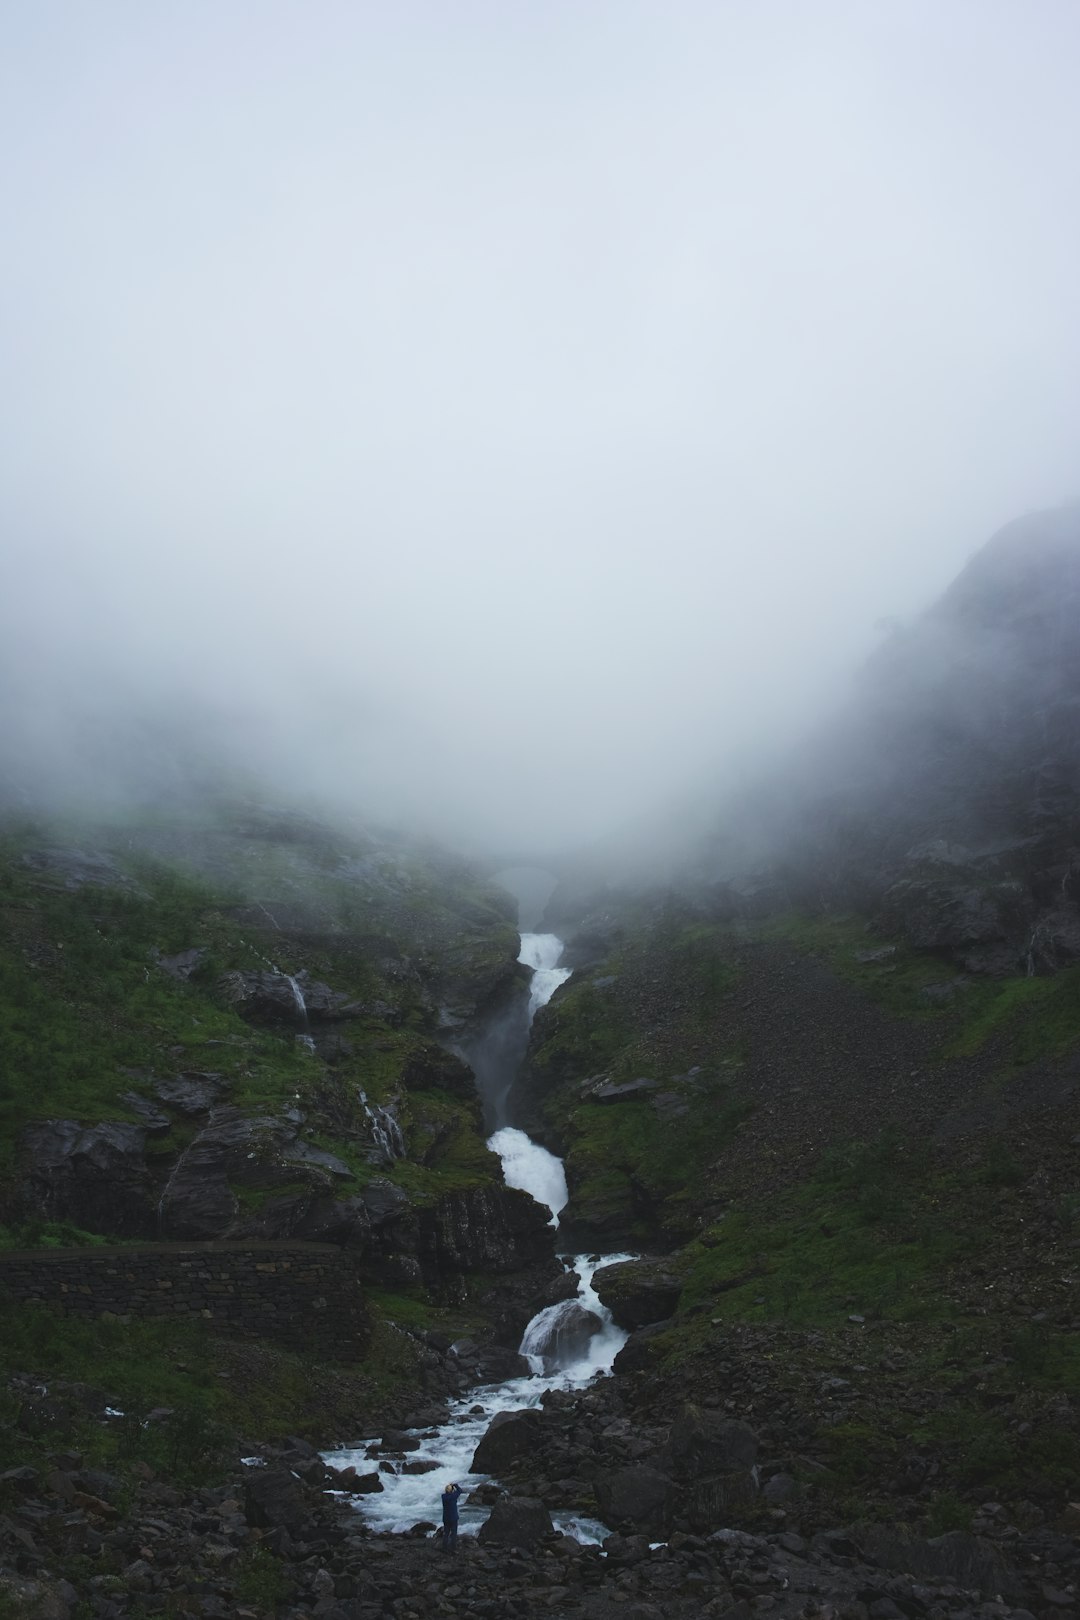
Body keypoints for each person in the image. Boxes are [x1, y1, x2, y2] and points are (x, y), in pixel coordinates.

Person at [441, 1481, 462, 1553]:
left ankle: (444, 1547)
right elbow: (460, 1490)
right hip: (453, 1518)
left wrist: (450, 1487)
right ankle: (453, 1548)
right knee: (453, 1533)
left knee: (446, 1533)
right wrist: (455, 1485)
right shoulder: (453, 1496)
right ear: (451, 1490)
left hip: (446, 1518)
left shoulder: (443, 1497)